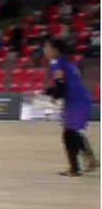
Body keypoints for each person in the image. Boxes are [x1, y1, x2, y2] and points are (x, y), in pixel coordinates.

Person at [43, 37, 99, 176]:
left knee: (69, 134)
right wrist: (50, 92)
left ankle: (76, 168)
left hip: (76, 101)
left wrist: (48, 94)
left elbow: (61, 87)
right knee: (71, 132)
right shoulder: (68, 62)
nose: (45, 51)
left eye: (47, 48)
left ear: (55, 50)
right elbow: (63, 85)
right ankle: (87, 161)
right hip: (79, 99)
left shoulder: (57, 63)